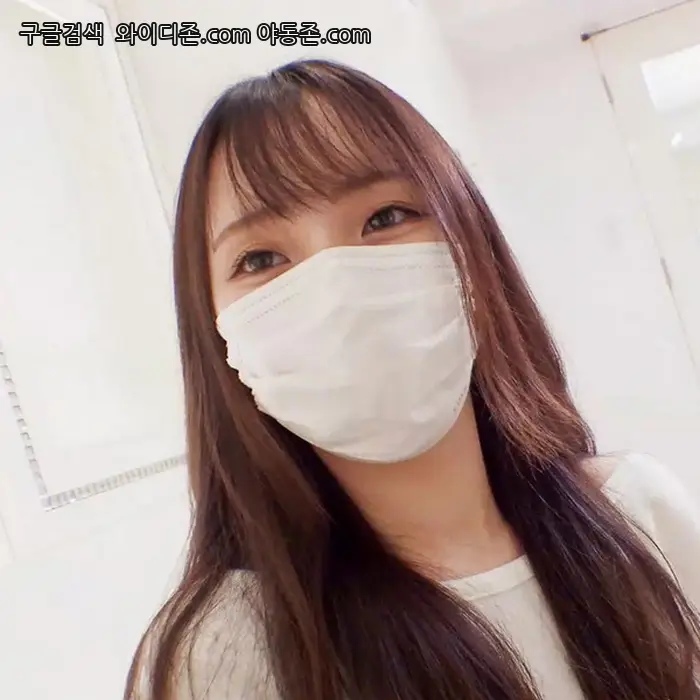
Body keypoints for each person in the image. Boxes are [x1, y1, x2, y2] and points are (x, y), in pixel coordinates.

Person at [124, 59, 700, 700]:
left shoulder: (638, 514)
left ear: (471, 247)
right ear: (213, 330)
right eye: (260, 258)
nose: (337, 285)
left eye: (386, 218)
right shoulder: (222, 651)